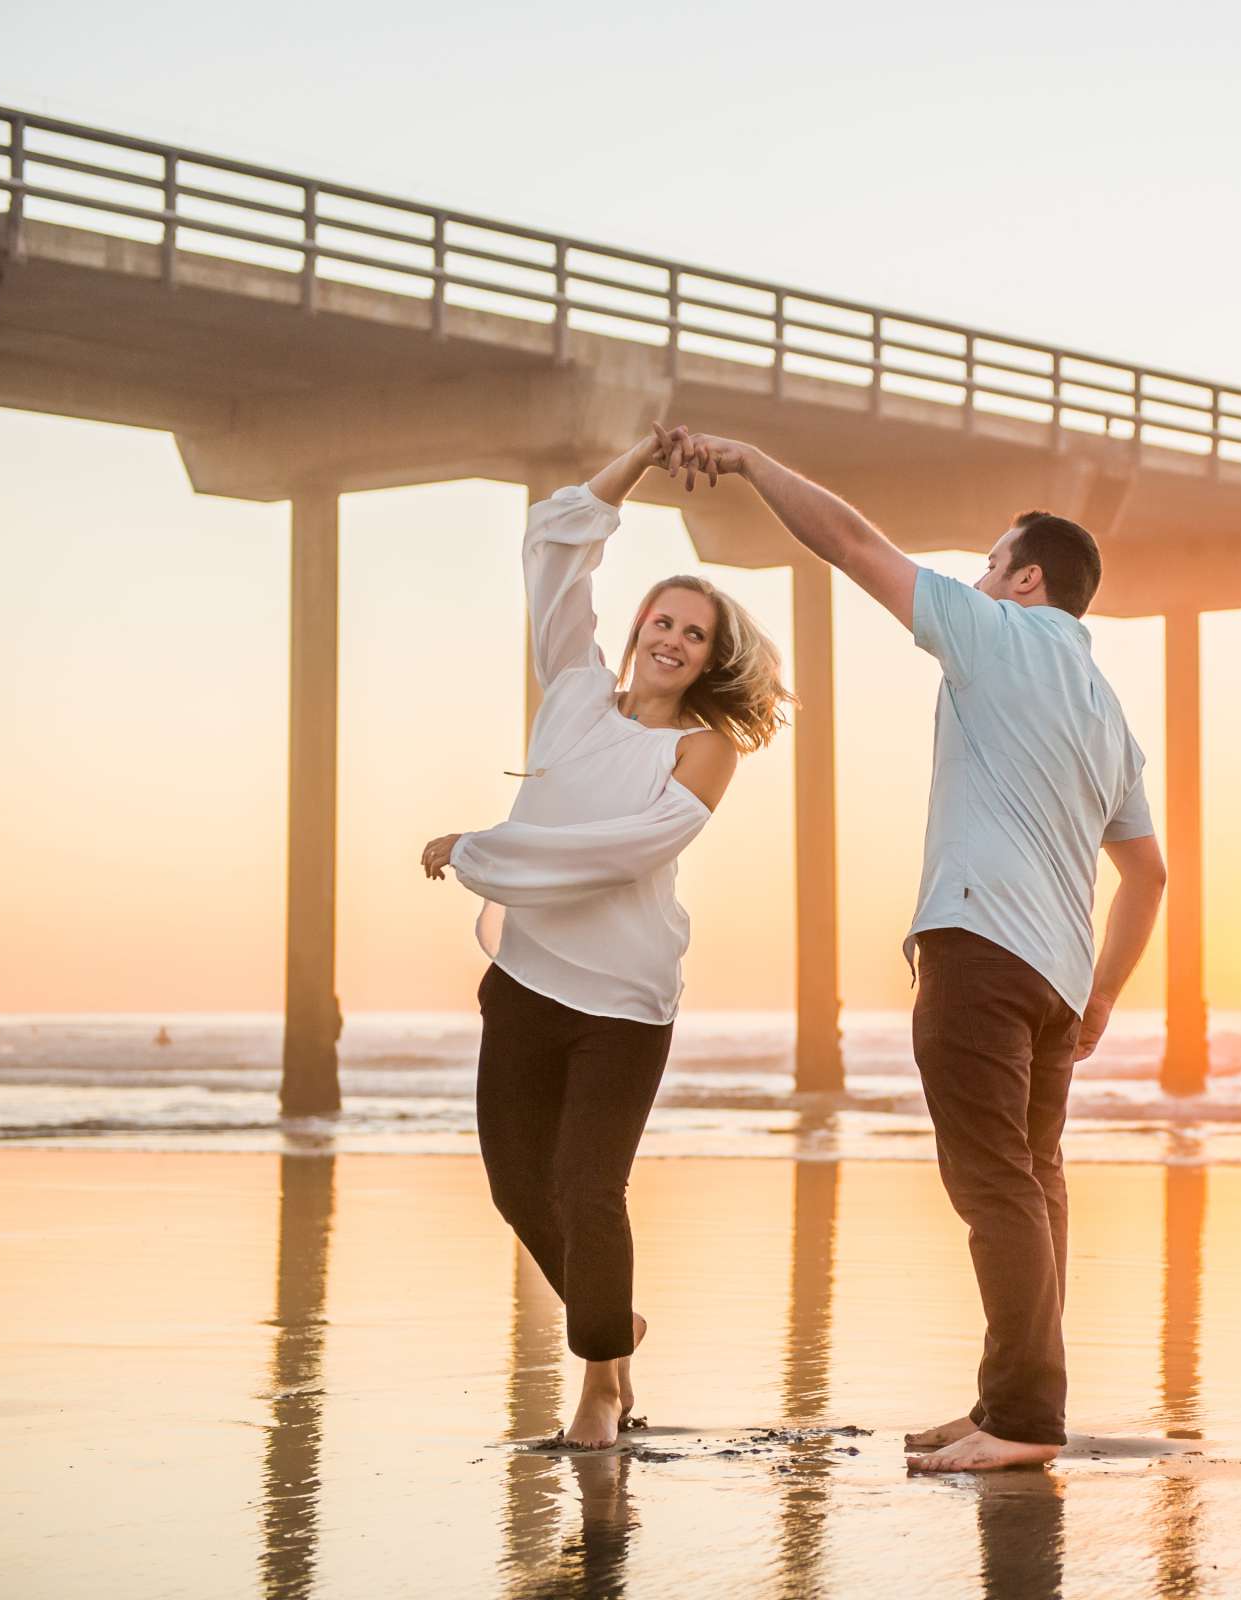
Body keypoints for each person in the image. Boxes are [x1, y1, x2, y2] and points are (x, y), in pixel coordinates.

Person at [670, 430, 1167, 1473]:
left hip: (980, 951)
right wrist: (1107, 994)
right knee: (1032, 1181)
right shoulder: (1110, 712)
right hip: (1057, 973)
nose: (977, 577)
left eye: (991, 562)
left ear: (1026, 580)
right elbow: (1149, 875)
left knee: (994, 1185)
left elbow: (850, 541)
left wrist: (758, 464)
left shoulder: (995, 631)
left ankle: (1025, 1418)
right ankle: (1012, 1399)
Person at [420, 425, 791, 1449]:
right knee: (514, 1183)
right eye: (662, 621)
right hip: (529, 980)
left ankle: (597, 1391)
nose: (674, 640)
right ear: (636, 631)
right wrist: (632, 461)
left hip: (624, 1002)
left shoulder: (706, 748)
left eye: (696, 634)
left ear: (713, 658)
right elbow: (554, 550)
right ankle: (611, 1330)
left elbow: (627, 850)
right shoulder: (576, 690)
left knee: (589, 1187)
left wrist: (482, 851)